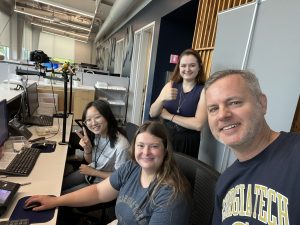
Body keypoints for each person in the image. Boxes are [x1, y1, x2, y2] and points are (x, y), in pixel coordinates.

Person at [25, 121, 191, 225]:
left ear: (166, 151)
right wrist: (56, 201)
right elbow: (98, 192)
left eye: (154, 146)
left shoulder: (171, 196)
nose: (145, 152)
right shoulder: (132, 168)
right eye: (141, 145)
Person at [204, 69, 300, 225]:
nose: (222, 115)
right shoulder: (225, 181)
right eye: (213, 109)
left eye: (234, 102)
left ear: (262, 104)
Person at [62, 99, 130, 194]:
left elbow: (120, 178)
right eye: (88, 120)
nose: (93, 123)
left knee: (62, 196)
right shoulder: (98, 134)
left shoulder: (122, 145)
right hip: (90, 172)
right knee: (58, 186)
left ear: (107, 117)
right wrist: (87, 149)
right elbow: (91, 161)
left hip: (103, 184)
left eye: (97, 117)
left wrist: (94, 172)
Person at [149, 48, 207, 158]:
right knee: (159, 170)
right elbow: (152, 113)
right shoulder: (170, 85)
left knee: (181, 174)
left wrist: (169, 116)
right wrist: (161, 98)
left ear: (199, 67)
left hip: (187, 141)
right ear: (179, 67)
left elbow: (198, 124)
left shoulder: (203, 90)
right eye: (183, 65)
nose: (187, 69)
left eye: (192, 65)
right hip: (164, 135)